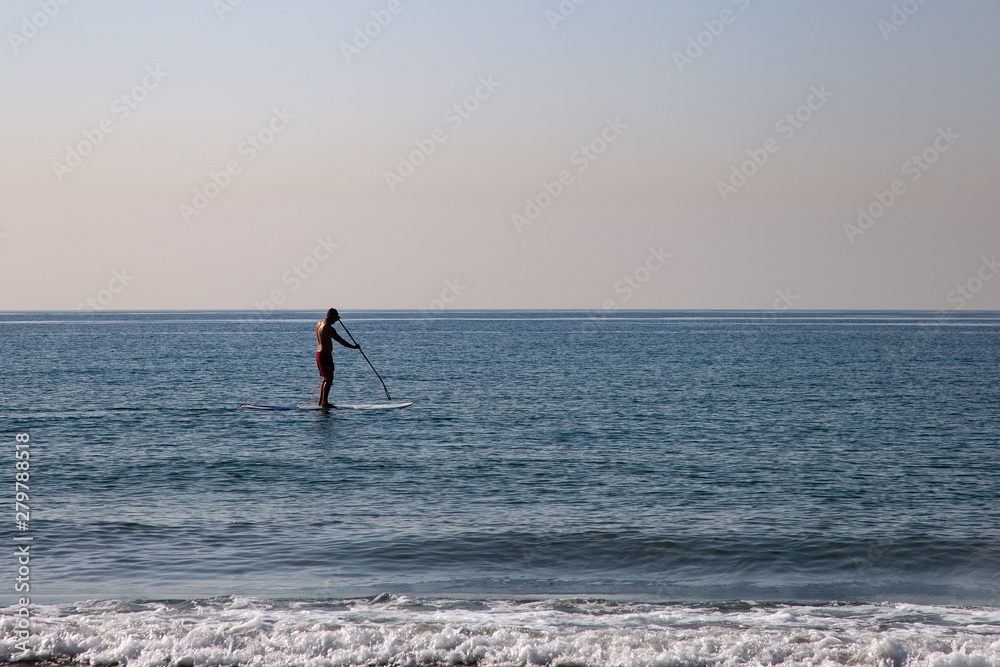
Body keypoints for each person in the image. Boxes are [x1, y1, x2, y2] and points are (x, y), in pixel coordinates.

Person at [315, 308, 359, 408]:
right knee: (329, 378)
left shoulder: (319, 324)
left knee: (326, 378)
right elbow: (340, 340)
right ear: (329, 316)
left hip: (319, 354)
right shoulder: (328, 328)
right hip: (325, 355)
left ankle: (321, 402)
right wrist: (354, 347)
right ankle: (325, 402)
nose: (336, 320)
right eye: (335, 318)